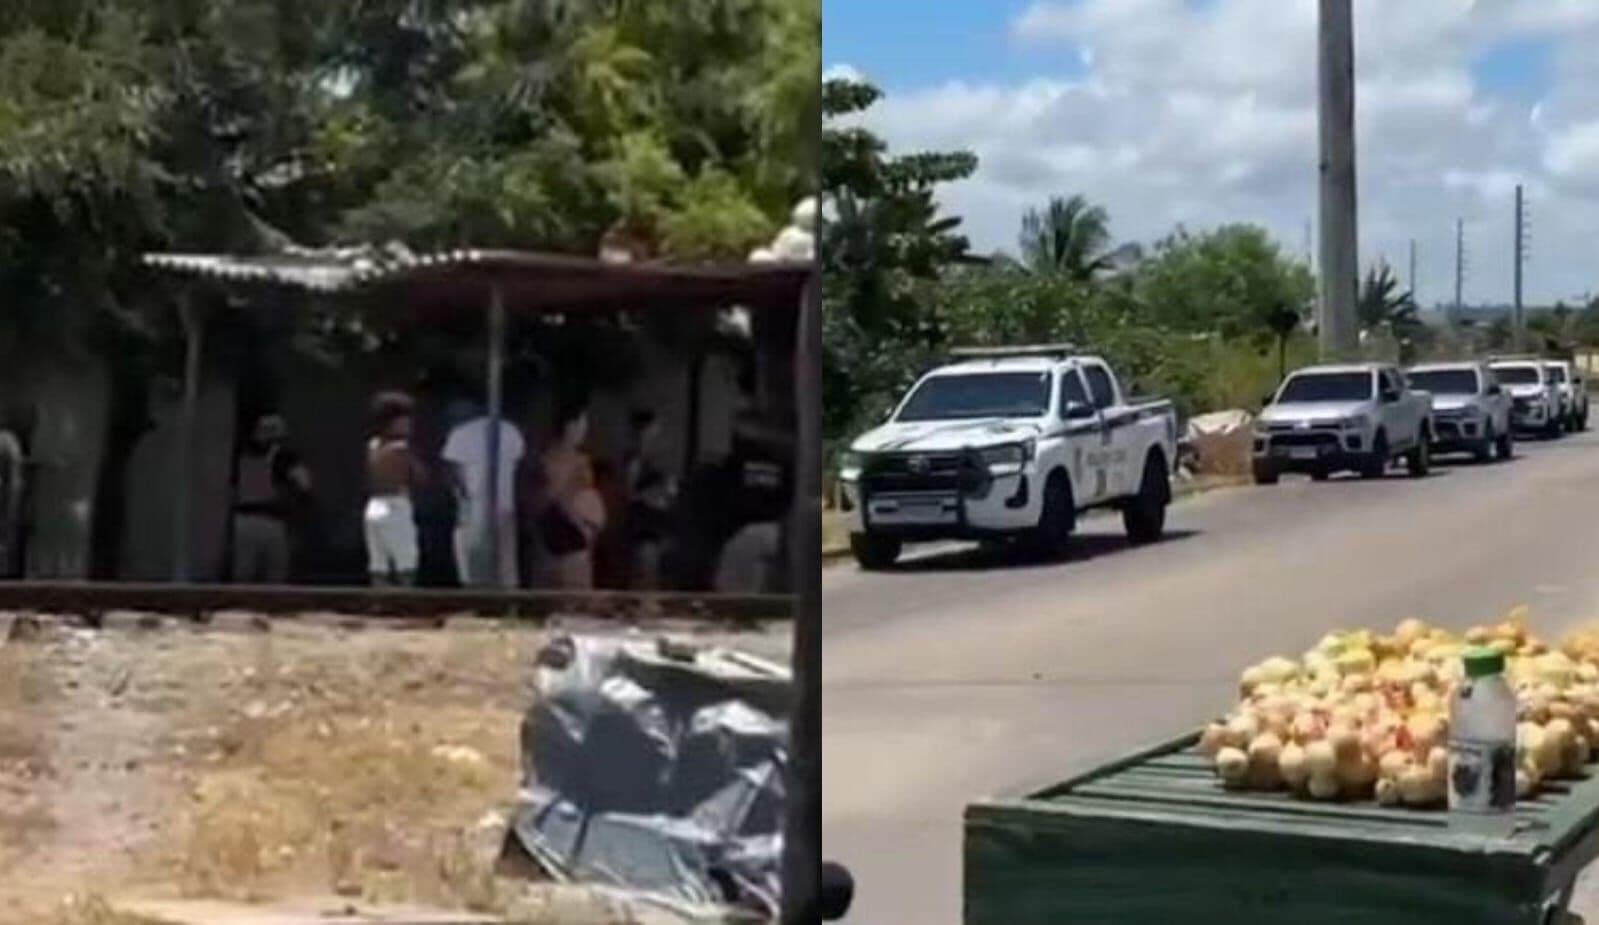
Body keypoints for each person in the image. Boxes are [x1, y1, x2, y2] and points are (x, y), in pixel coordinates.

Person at [442, 397, 525, 588]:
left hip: (473, 509)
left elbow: (451, 472)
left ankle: (477, 601)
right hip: (506, 507)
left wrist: (462, 495)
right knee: (505, 566)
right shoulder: (511, 430)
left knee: (472, 567)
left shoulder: (459, 434)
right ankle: (507, 603)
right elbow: (520, 466)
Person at [530, 400, 606, 589]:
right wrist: (581, 526)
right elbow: (554, 498)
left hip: (573, 540)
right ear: (569, 426)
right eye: (582, 424)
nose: (584, 430)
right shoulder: (554, 461)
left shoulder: (577, 459)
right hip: (564, 539)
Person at [232, 411, 311, 584]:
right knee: (275, 577)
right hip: (272, 521)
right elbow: (304, 485)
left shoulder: (239, 456)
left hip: (243, 521)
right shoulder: (285, 457)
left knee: (243, 576)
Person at [364, 392, 419, 586]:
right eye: (405, 420)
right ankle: (406, 597)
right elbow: (419, 476)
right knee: (406, 561)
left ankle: (379, 597)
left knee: (379, 562)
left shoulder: (373, 445)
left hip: (374, 505)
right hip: (395, 504)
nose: (409, 424)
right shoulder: (400, 449)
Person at [623, 409, 675, 589]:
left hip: (658, 523)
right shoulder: (635, 461)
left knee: (653, 577)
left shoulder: (657, 460)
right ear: (643, 431)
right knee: (644, 577)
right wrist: (651, 493)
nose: (657, 433)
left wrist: (667, 491)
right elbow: (628, 494)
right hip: (643, 526)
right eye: (653, 429)